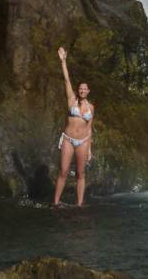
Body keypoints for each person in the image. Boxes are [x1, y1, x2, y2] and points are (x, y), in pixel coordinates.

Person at [53, 46, 94, 207]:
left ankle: (79, 204)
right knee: (63, 171)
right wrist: (63, 61)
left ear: (88, 91)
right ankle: (55, 202)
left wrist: (89, 148)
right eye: (80, 88)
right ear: (78, 90)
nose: (82, 90)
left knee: (80, 173)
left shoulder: (91, 107)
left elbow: (89, 128)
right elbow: (66, 79)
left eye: (85, 89)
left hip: (83, 141)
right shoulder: (72, 100)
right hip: (69, 139)